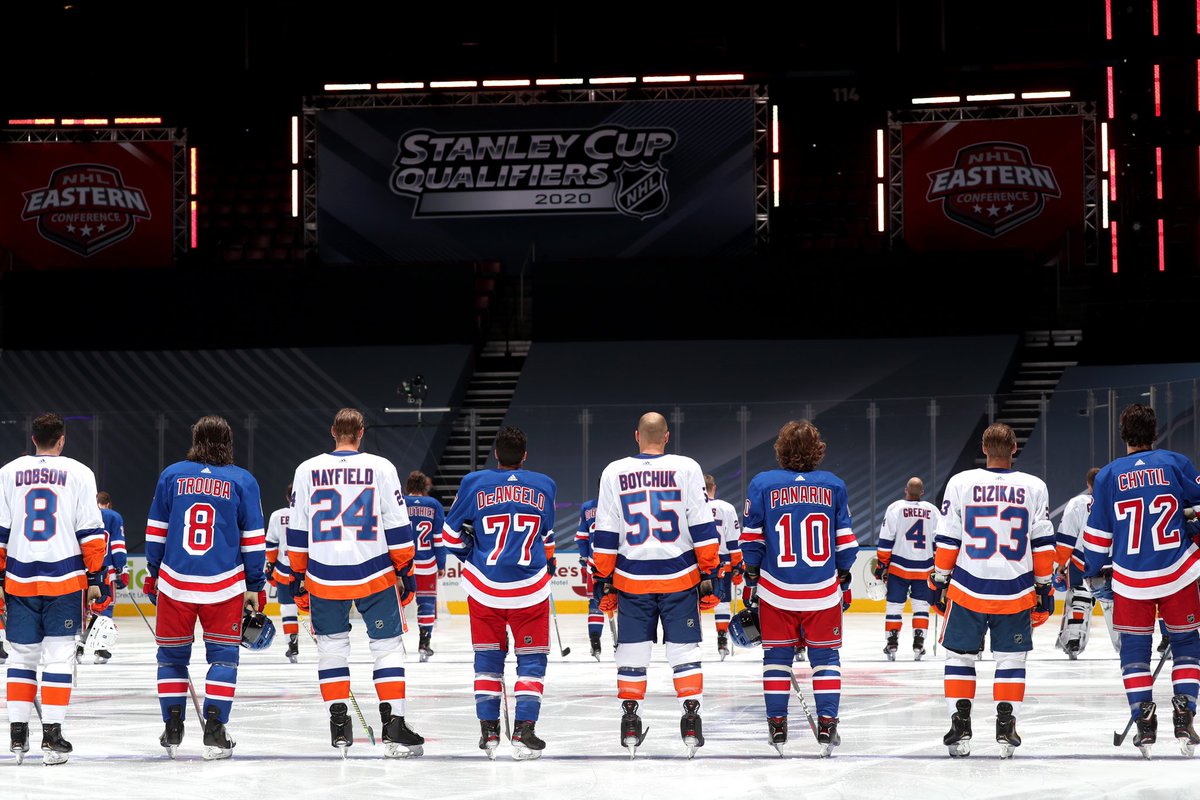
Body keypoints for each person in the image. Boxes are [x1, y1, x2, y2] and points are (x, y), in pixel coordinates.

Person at [286, 408, 424, 758]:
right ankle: (394, 723)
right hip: (374, 573)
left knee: (331, 648)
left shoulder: (306, 469)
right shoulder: (382, 467)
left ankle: (339, 724)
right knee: (387, 646)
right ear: (361, 432)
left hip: (323, 575)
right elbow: (397, 524)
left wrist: (298, 574)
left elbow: (298, 529)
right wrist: (404, 569)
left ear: (333, 430)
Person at [592, 412, 719, 758]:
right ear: (666, 437)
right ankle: (691, 718)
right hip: (679, 576)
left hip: (632, 578)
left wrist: (603, 581)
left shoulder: (613, 471)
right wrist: (710, 574)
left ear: (636, 436)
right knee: (684, 650)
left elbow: (605, 531)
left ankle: (630, 720)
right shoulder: (688, 467)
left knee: (631, 653)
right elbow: (701, 524)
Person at [143, 415, 266, 760]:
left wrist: (154, 572)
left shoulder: (172, 475)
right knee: (224, 659)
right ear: (228, 442)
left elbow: (156, 531)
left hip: (175, 583)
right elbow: (253, 541)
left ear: (195, 439)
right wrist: (255, 584)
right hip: (225, 587)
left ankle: (173, 726)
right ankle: (215, 728)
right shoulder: (243, 480)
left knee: (170, 658)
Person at [930, 422, 1054, 759]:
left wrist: (939, 579)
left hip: (969, 587)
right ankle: (1005, 723)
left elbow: (949, 538)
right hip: (1015, 591)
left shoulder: (960, 483)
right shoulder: (1034, 487)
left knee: (959, 657)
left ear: (984, 449)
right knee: (1011, 660)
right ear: (1014, 448)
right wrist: (1045, 589)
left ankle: (961, 722)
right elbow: (1042, 545)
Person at [1082, 403, 1200, 758]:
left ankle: (1143, 720)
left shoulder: (1107, 476)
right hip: (1178, 573)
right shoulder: (1176, 463)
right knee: (1187, 645)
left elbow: (1097, 537)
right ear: (1155, 432)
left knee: (1134, 653)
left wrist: (1092, 571)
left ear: (1123, 435)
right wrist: (1192, 531)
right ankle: (1184, 712)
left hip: (1131, 580)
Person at [741, 420, 856, 756]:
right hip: (822, 591)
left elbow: (752, 539)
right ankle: (827, 725)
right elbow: (846, 543)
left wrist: (752, 572)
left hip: (776, 590)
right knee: (826, 659)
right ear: (817, 449)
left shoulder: (763, 483)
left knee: (777, 657)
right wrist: (844, 572)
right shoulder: (833, 485)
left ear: (781, 449)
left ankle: (777, 725)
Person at [441, 426, 557, 760]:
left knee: (488, 659)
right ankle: (524, 730)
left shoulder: (473, 483)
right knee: (532, 662)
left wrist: (472, 554)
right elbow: (546, 536)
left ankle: (489, 731)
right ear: (524, 456)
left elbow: (449, 538)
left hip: (484, 589)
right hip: (529, 591)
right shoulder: (545, 484)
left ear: (495, 454)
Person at [0, 412, 107, 765]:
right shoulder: (80, 473)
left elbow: (1, 533)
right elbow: (90, 531)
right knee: (58, 657)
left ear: (33, 439)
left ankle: (18, 736)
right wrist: (95, 579)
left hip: (19, 579)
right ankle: (52, 736)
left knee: (21, 657)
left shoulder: (7, 472)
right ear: (61, 440)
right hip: (64, 580)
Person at [874, 477, 938, 661]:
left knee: (894, 606)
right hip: (924, 568)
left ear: (905, 490)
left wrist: (881, 565)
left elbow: (886, 540)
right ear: (923, 493)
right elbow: (938, 542)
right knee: (921, 607)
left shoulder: (895, 508)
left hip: (899, 568)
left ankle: (892, 642)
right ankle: (919, 643)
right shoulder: (933, 511)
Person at [1053, 467, 1101, 658]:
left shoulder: (1079, 503)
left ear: (1089, 485)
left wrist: (1060, 564)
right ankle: (1126, 642)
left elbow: (1067, 536)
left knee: (1079, 599)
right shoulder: (1117, 501)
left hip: (1082, 562)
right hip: (1113, 563)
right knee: (1116, 604)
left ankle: (1074, 641)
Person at [402, 470, 445, 662]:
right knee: (426, 604)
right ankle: (424, 642)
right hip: (427, 563)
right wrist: (441, 563)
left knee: (395, 603)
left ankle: (392, 641)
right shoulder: (434, 505)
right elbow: (438, 538)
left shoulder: (400, 503)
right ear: (425, 487)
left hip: (403, 563)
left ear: (408, 486)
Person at [704, 474, 743, 660]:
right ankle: (722, 640)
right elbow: (733, 539)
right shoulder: (726, 508)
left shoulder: (692, 507)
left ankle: (691, 640)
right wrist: (738, 565)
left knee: (694, 602)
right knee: (723, 602)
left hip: (698, 563)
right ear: (715, 487)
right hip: (722, 563)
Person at [90, 491, 127, 664]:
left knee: (84, 611)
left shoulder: (85, 514)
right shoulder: (113, 516)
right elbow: (117, 544)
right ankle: (101, 649)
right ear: (108, 503)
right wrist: (121, 568)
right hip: (106, 573)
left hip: (85, 571)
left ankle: (79, 649)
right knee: (105, 608)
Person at [265, 483, 301, 663]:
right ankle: (325, 642)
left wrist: (270, 566)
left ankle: (292, 643)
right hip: (307, 571)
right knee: (318, 608)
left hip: (283, 570)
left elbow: (271, 544)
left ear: (288, 497)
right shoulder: (311, 513)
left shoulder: (277, 516)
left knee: (288, 609)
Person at [575, 487, 606, 659]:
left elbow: (582, 537)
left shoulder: (587, 507)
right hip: (619, 564)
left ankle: (595, 641)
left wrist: (584, 556)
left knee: (596, 604)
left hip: (594, 564)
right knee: (626, 604)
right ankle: (626, 643)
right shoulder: (623, 504)